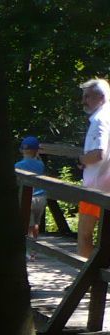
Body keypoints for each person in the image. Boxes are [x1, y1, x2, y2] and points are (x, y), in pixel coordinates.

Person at [78, 78, 110, 258]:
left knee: (84, 234)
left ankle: (84, 283)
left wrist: (81, 159)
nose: (83, 101)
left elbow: (99, 153)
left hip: (95, 188)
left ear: (101, 97)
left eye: (87, 96)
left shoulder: (99, 120)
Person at [15, 135, 47, 240]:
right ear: (36, 150)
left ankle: (29, 251)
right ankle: (35, 248)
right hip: (41, 197)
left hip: (28, 199)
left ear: (21, 150)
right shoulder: (40, 164)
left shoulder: (18, 165)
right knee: (36, 224)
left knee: (28, 225)